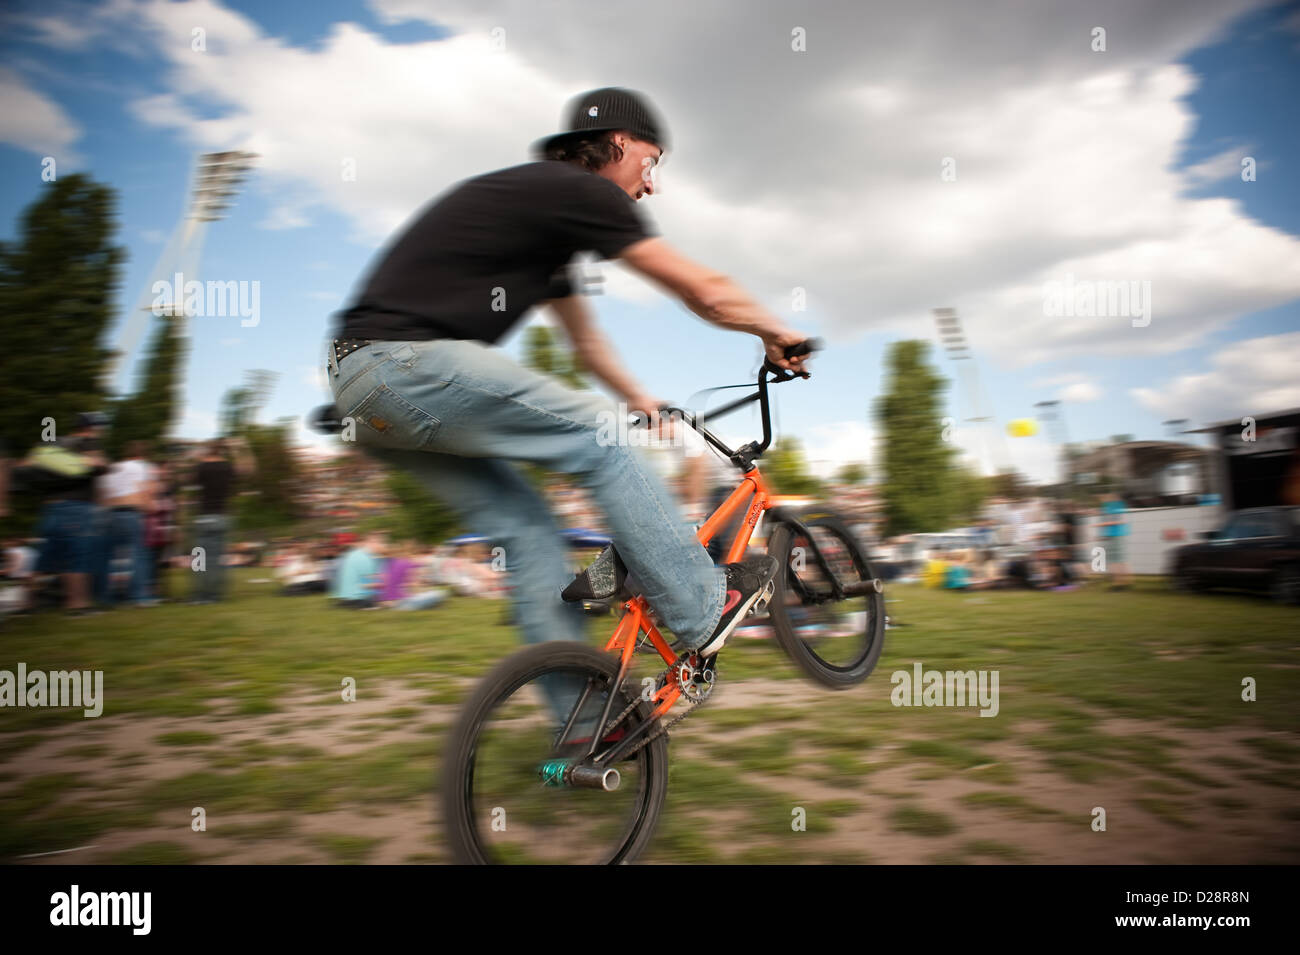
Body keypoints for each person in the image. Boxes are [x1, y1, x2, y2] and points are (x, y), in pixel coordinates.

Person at [327, 88, 809, 661]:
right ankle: (703, 608)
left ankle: (582, 730)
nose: (651, 184)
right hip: (401, 364)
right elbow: (704, 291)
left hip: (364, 393)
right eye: (650, 163)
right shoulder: (578, 189)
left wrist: (639, 398)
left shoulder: (542, 223)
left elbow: (585, 342)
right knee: (601, 441)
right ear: (619, 143)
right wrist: (775, 332)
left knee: (530, 534)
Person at [15, 413, 110, 615]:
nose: (101, 430)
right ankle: (77, 606)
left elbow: (29, 464)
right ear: (90, 427)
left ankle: (26, 605)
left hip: (51, 506)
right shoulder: (88, 441)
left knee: (43, 558)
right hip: (76, 507)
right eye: (99, 426)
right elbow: (100, 465)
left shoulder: (55, 442)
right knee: (77, 556)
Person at [189, 437, 254, 604]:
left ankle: (199, 595)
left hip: (203, 517)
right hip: (222, 517)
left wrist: (198, 457)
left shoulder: (201, 467)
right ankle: (215, 595)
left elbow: (188, 478)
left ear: (207, 451)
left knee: (199, 558)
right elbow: (248, 468)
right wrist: (240, 449)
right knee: (216, 559)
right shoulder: (227, 467)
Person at [97, 440, 158, 607]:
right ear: (142, 455)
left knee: (108, 558)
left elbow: (102, 495)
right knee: (138, 555)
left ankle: (106, 597)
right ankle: (138, 596)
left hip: (109, 515)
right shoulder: (141, 467)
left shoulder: (113, 468)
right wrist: (150, 507)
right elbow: (144, 491)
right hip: (131, 513)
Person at [331, 533, 386, 608]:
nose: (383, 546)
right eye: (382, 543)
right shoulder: (366, 558)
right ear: (372, 543)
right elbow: (367, 585)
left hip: (346, 596)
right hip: (358, 599)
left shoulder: (354, 554)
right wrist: (384, 583)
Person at [1097, 491, 1131, 589]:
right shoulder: (1113, 506)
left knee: (1115, 561)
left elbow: (1117, 521)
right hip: (1115, 536)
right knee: (1120, 560)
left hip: (1116, 536)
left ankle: (1118, 584)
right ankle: (1126, 582)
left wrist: (1103, 525)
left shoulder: (1115, 507)